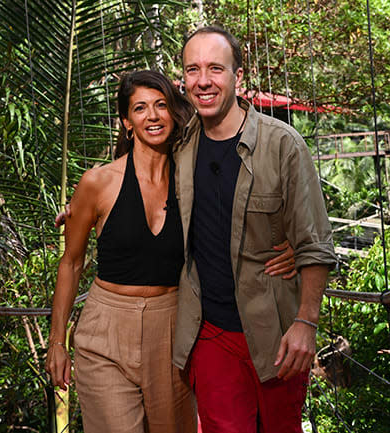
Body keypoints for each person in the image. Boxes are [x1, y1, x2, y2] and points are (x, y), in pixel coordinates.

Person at [45, 70, 297, 433]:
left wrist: (286, 244)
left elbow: (241, 217)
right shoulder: (97, 183)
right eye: (140, 108)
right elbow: (71, 262)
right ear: (127, 122)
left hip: (175, 330)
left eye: (161, 105)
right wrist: (57, 341)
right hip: (106, 331)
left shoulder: (194, 180)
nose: (152, 115)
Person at [171, 27, 338, 433]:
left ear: (238, 77)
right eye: (193, 70)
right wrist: (82, 206)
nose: (203, 80)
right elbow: (131, 172)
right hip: (209, 333)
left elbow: (315, 243)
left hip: (274, 332)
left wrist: (306, 323)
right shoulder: (180, 144)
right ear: (183, 80)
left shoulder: (283, 144)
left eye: (215, 68)